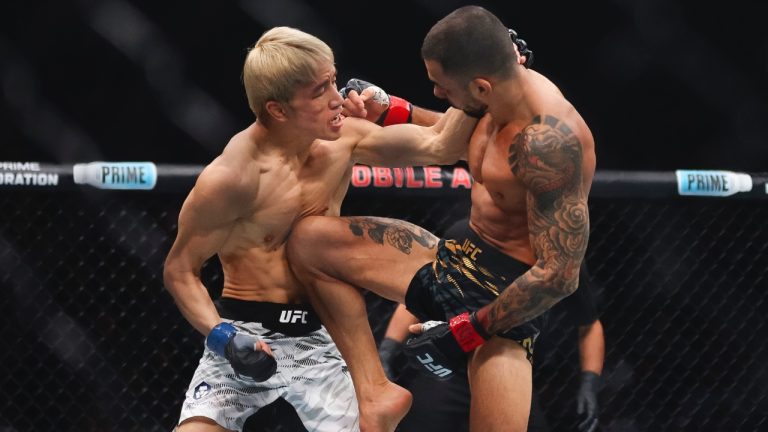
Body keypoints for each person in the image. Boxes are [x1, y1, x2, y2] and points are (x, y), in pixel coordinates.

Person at [286, 5, 596, 431]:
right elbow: (453, 144)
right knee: (308, 240)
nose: (436, 94)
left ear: (481, 87)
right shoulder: (492, 95)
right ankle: (376, 392)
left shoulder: (549, 142)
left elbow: (560, 275)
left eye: (442, 87)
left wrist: (470, 330)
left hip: (504, 302)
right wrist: (391, 109)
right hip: (452, 259)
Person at [162, 26, 478, 432]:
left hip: (319, 335)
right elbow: (179, 270)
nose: (337, 99)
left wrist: (487, 72)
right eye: (318, 92)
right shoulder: (234, 177)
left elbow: (443, 145)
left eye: (333, 80)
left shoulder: (343, 136)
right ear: (278, 110)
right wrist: (222, 335)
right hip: (251, 334)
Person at [376, 220, 605, 432]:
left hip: (509, 363)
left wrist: (589, 384)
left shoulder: (558, 256)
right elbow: (426, 289)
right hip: (452, 362)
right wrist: (386, 351)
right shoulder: (466, 234)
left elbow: (589, 323)